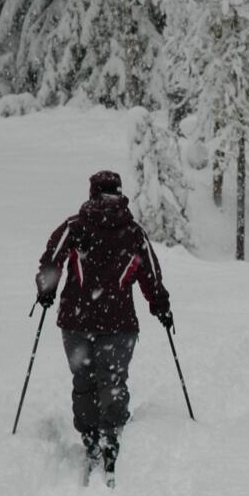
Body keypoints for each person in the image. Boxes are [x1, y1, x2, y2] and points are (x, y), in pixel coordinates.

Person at [35, 169, 173, 478]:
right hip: (119, 323)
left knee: (84, 381)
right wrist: (160, 305)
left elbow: (51, 261)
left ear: (92, 193)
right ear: (120, 193)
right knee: (112, 382)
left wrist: (46, 292)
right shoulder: (134, 232)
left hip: (76, 321)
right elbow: (149, 272)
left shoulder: (74, 227)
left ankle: (90, 440)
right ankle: (112, 440)